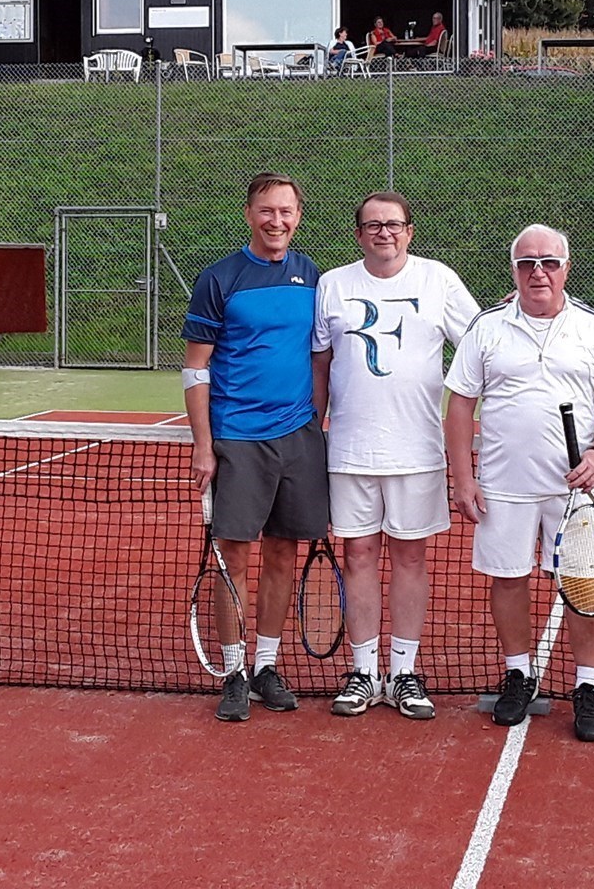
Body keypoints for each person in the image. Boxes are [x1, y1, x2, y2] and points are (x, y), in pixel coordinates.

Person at [444, 225, 594, 742]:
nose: (538, 272)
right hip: (502, 486)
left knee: (584, 587)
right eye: (527, 263)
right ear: (514, 270)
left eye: (549, 262)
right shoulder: (486, 328)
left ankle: (588, 686)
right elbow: (460, 404)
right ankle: (518, 674)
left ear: (566, 268)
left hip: (576, 491)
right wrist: (463, 477)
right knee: (508, 579)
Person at [312, 192, 480, 720]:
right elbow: (321, 365)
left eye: (393, 224)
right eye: (373, 225)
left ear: (409, 231)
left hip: (418, 451)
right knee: (358, 556)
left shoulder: (439, 280)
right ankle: (364, 672)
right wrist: (314, 433)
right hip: (350, 452)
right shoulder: (332, 285)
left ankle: (404, 672)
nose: (384, 232)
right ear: (358, 234)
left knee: (410, 558)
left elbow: (481, 344)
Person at [182, 172, 328, 723]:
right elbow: (196, 369)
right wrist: (204, 445)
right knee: (234, 559)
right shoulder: (219, 279)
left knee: (283, 555)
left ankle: (266, 665)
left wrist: (314, 423)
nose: (277, 221)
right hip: (238, 440)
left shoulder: (313, 276)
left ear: (298, 216)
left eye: (286, 211)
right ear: (249, 215)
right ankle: (234, 671)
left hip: (299, 438)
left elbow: (321, 354)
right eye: (267, 210)